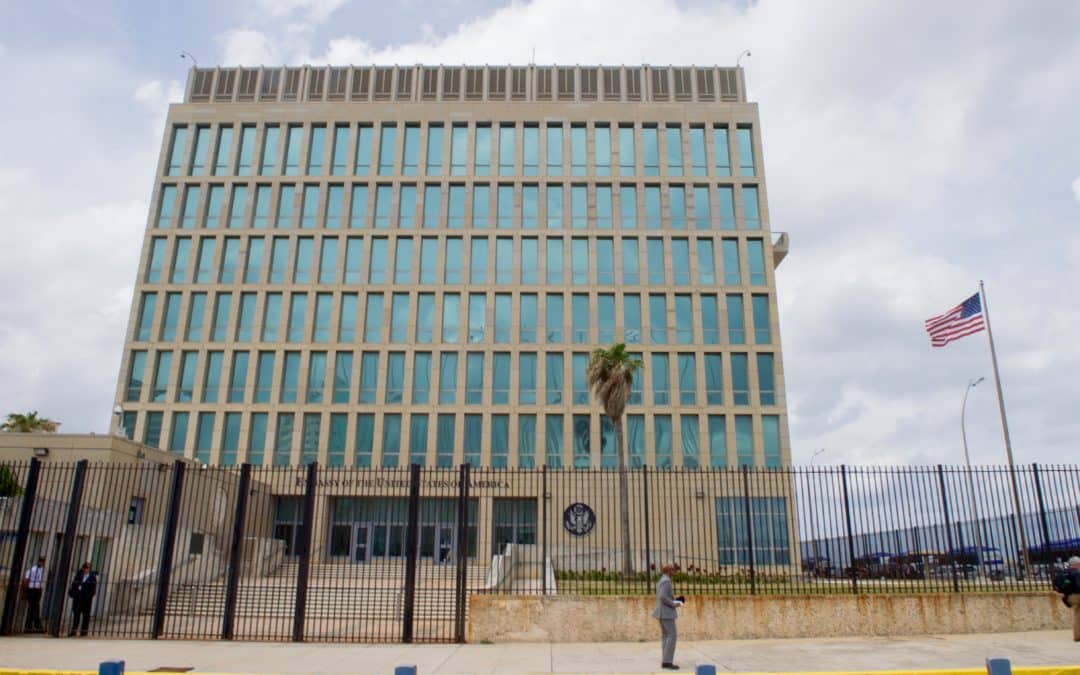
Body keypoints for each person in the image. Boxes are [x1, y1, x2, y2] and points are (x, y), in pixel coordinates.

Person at [652, 563, 684, 670]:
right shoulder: (666, 581)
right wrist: (673, 604)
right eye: (673, 570)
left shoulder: (662, 579)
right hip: (666, 613)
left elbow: (663, 596)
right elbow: (662, 597)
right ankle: (667, 662)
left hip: (662, 612)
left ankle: (665, 660)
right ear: (669, 571)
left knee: (666, 636)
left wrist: (675, 600)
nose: (675, 571)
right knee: (672, 635)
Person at [1052, 556, 1080, 642]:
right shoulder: (1076, 572)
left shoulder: (1062, 572)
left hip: (1068, 597)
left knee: (1077, 613)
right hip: (1077, 595)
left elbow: (1056, 586)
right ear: (1077, 564)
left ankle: (1077, 636)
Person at [67, 562, 97, 637]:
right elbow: (74, 584)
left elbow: (93, 589)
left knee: (85, 615)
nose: (86, 570)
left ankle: (83, 631)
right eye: (85, 568)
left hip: (86, 599)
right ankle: (74, 630)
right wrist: (73, 593)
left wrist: (89, 595)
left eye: (88, 568)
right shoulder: (79, 575)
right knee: (76, 614)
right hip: (78, 598)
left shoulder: (92, 577)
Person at [22, 556, 46, 633]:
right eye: (42, 562)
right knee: (32, 607)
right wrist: (25, 591)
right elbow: (26, 580)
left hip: (37, 589)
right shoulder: (32, 569)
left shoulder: (42, 570)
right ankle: (30, 625)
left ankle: (34, 624)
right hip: (32, 589)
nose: (43, 564)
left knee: (35, 607)